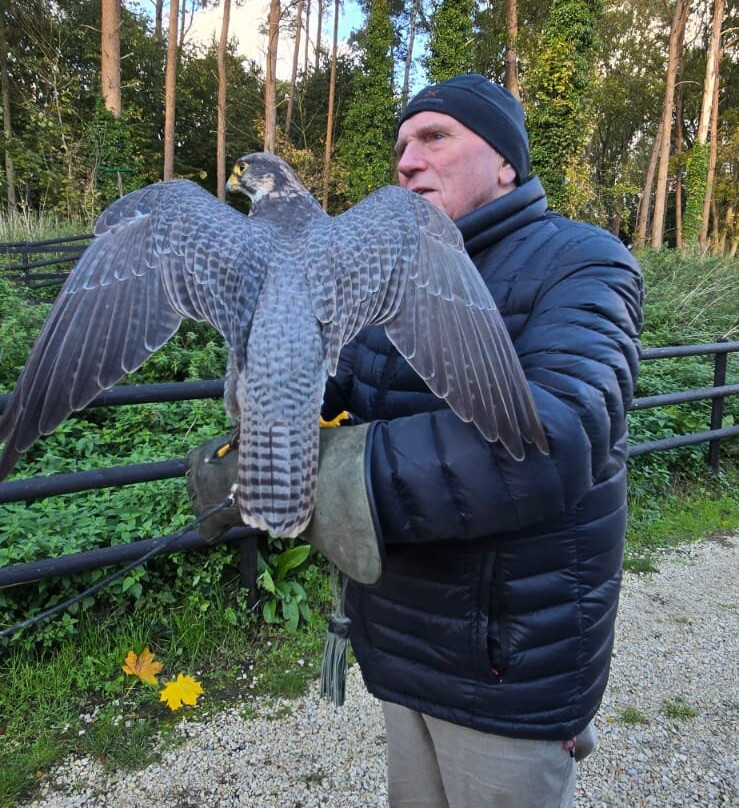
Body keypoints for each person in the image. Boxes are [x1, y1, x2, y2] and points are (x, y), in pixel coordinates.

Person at [189, 74, 643, 808]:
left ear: (506, 163)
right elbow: (328, 395)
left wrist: (336, 482)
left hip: (509, 664)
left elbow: (559, 437)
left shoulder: (581, 262)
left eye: (435, 137)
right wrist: (259, 426)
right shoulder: (378, 263)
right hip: (400, 643)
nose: (405, 160)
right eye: (400, 144)